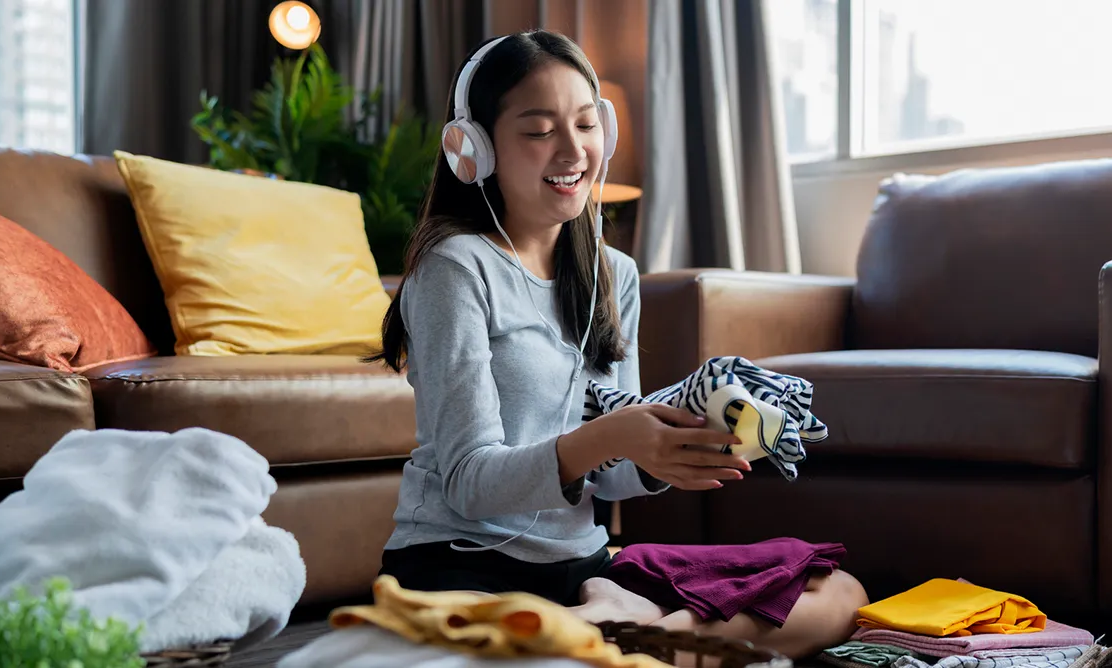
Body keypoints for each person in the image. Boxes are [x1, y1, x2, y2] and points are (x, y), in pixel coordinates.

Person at [365, 30, 866, 658]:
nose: (573, 150)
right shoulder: (455, 268)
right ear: (475, 150)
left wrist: (670, 448)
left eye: (584, 124)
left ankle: (634, 634)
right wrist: (615, 434)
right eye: (539, 129)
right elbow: (468, 483)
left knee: (837, 591)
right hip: (462, 565)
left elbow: (610, 478)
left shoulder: (613, 273)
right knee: (513, 650)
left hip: (583, 570)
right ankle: (625, 638)